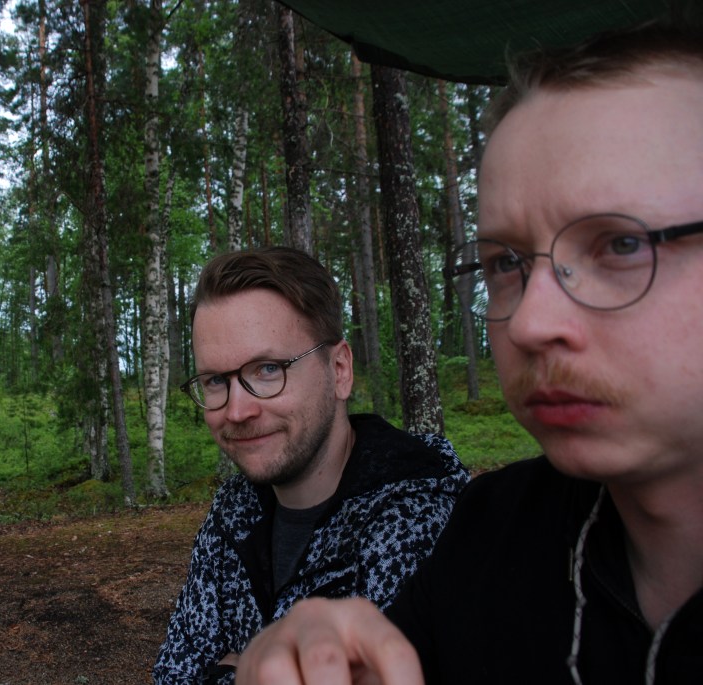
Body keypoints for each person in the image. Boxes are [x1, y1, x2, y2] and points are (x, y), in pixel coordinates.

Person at [235, 22, 703, 685]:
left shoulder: (431, 502)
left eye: (620, 245)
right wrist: (315, 653)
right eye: (506, 263)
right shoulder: (492, 532)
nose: (531, 321)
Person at [153, 247, 469, 684]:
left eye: (267, 369)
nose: (237, 410)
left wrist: (227, 670)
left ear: (339, 370)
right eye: (216, 380)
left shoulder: (420, 516)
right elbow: (172, 673)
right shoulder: (233, 512)